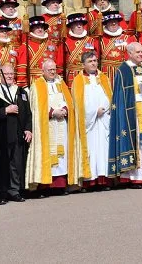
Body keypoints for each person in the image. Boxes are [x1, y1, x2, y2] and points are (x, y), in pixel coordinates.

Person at [26, 59, 89, 194]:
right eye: (50, 70)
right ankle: (45, 187)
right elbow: (36, 108)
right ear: (43, 71)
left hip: (62, 124)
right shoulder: (37, 85)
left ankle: (61, 185)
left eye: (54, 69)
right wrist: (52, 112)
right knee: (49, 153)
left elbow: (69, 101)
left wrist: (65, 109)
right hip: (47, 125)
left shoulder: (61, 83)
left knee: (63, 155)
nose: (53, 72)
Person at [108, 42, 142, 187]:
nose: (141, 54)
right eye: (138, 52)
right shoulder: (123, 70)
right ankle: (134, 177)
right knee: (137, 142)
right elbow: (120, 94)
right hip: (133, 110)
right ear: (129, 53)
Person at [0, 64, 32, 204]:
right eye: (7, 74)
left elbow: (28, 113)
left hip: (17, 134)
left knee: (16, 163)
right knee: (0, 164)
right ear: (0, 75)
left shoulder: (21, 92)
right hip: (0, 135)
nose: (10, 76)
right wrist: (6, 110)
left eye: (12, 73)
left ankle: (14, 190)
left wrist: (28, 129)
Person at [72, 52, 113, 190]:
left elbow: (109, 96)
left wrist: (104, 108)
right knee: (90, 150)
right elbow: (79, 103)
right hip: (89, 123)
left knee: (103, 151)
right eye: (90, 61)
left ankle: (104, 180)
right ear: (83, 64)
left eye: (95, 60)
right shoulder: (78, 80)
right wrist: (94, 112)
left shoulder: (104, 78)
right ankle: (89, 182)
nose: (94, 63)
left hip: (103, 121)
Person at [17, 15, 63, 87]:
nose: (40, 29)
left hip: (51, 82)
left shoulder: (52, 45)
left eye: (42, 27)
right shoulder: (25, 46)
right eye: (37, 27)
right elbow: (22, 69)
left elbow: (58, 65)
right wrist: (23, 86)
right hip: (34, 82)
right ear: (31, 29)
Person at [62, 12, 100, 87]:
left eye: (81, 24)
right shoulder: (65, 42)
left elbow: (97, 57)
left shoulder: (92, 40)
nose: (79, 26)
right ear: (71, 27)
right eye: (76, 24)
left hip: (89, 74)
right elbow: (61, 63)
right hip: (73, 75)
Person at [99, 10, 137, 83]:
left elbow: (133, 56)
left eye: (115, 21)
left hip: (123, 71)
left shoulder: (128, 38)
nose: (113, 23)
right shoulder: (100, 39)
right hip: (106, 73)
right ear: (106, 24)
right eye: (110, 21)